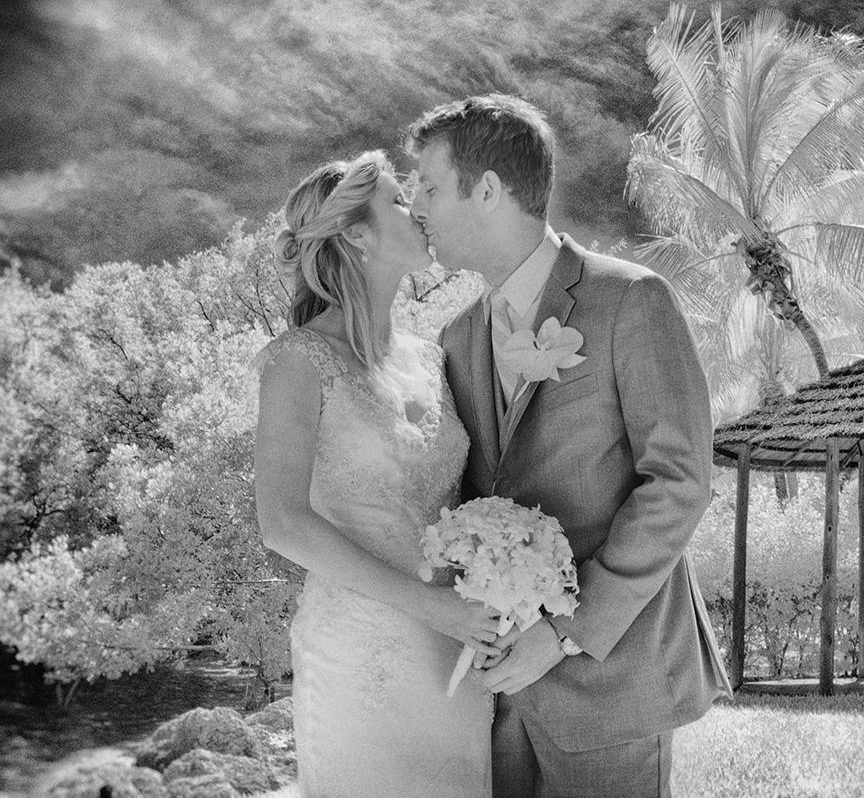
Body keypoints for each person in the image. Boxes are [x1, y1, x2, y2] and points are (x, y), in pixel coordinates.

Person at [406, 94, 731, 798]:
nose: (416, 207)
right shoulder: (456, 338)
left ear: (487, 189)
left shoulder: (631, 301)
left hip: (613, 681)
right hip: (495, 699)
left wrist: (561, 632)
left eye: (429, 185)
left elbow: (679, 482)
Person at [252, 151, 500, 798]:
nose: (417, 209)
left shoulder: (434, 356)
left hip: (456, 656)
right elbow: (280, 521)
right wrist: (431, 607)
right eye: (397, 200)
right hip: (360, 660)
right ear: (356, 233)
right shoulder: (298, 361)